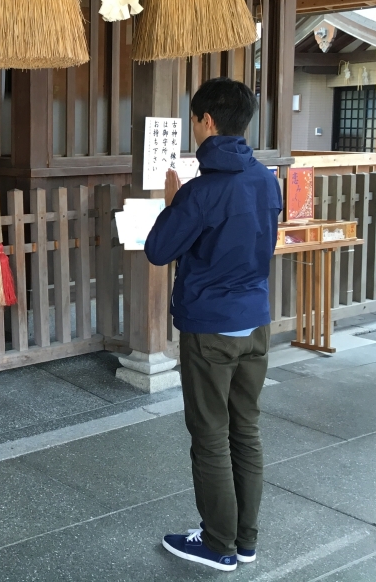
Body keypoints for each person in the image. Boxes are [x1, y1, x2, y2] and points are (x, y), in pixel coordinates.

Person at [144, 78, 283, 572]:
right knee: (246, 429)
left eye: (194, 119)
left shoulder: (201, 192)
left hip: (210, 328)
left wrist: (172, 204)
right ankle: (244, 540)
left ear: (205, 121)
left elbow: (159, 250)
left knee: (209, 434)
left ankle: (218, 544)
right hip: (255, 322)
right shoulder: (267, 180)